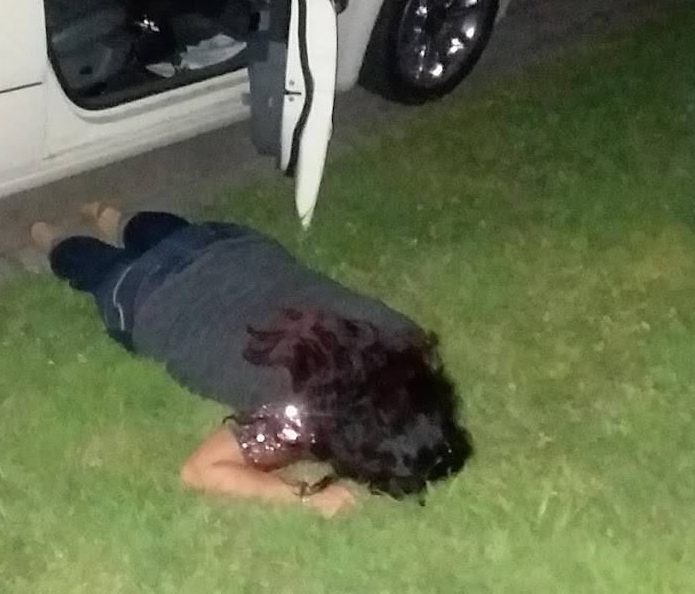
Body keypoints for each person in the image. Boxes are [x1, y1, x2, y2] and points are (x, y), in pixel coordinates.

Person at [31, 206, 472, 517]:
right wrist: (307, 498)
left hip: (226, 245)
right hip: (152, 298)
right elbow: (200, 471)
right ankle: (50, 237)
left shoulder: (403, 336)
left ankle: (111, 214)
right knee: (91, 264)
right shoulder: (301, 419)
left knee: (157, 230)